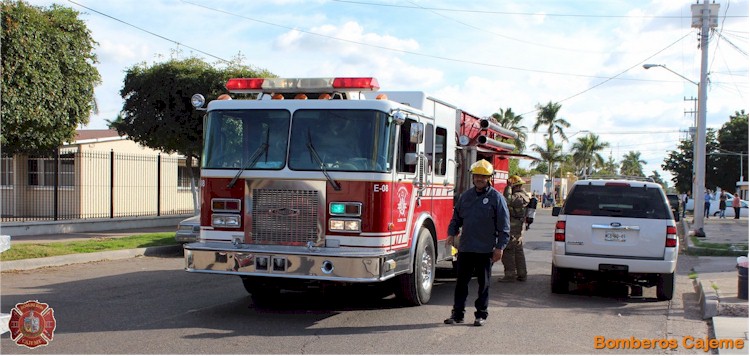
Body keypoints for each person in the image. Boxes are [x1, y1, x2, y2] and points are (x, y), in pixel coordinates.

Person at [444, 159, 510, 327]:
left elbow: (504, 226)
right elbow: (456, 218)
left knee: (484, 284)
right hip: (466, 248)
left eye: (483, 176)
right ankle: (457, 314)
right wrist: (452, 233)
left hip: (486, 250)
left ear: (489, 178)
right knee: (461, 284)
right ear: (473, 177)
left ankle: (481, 314)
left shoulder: (497, 198)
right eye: (477, 176)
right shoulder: (466, 196)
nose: (479, 179)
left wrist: (499, 247)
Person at [499, 175, 530, 283]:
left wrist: (508, 187)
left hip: (513, 226)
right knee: (518, 250)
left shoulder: (518, 197)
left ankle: (510, 275)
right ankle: (522, 274)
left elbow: (507, 200)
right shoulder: (524, 195)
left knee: (508, 250)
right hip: (518, 226)